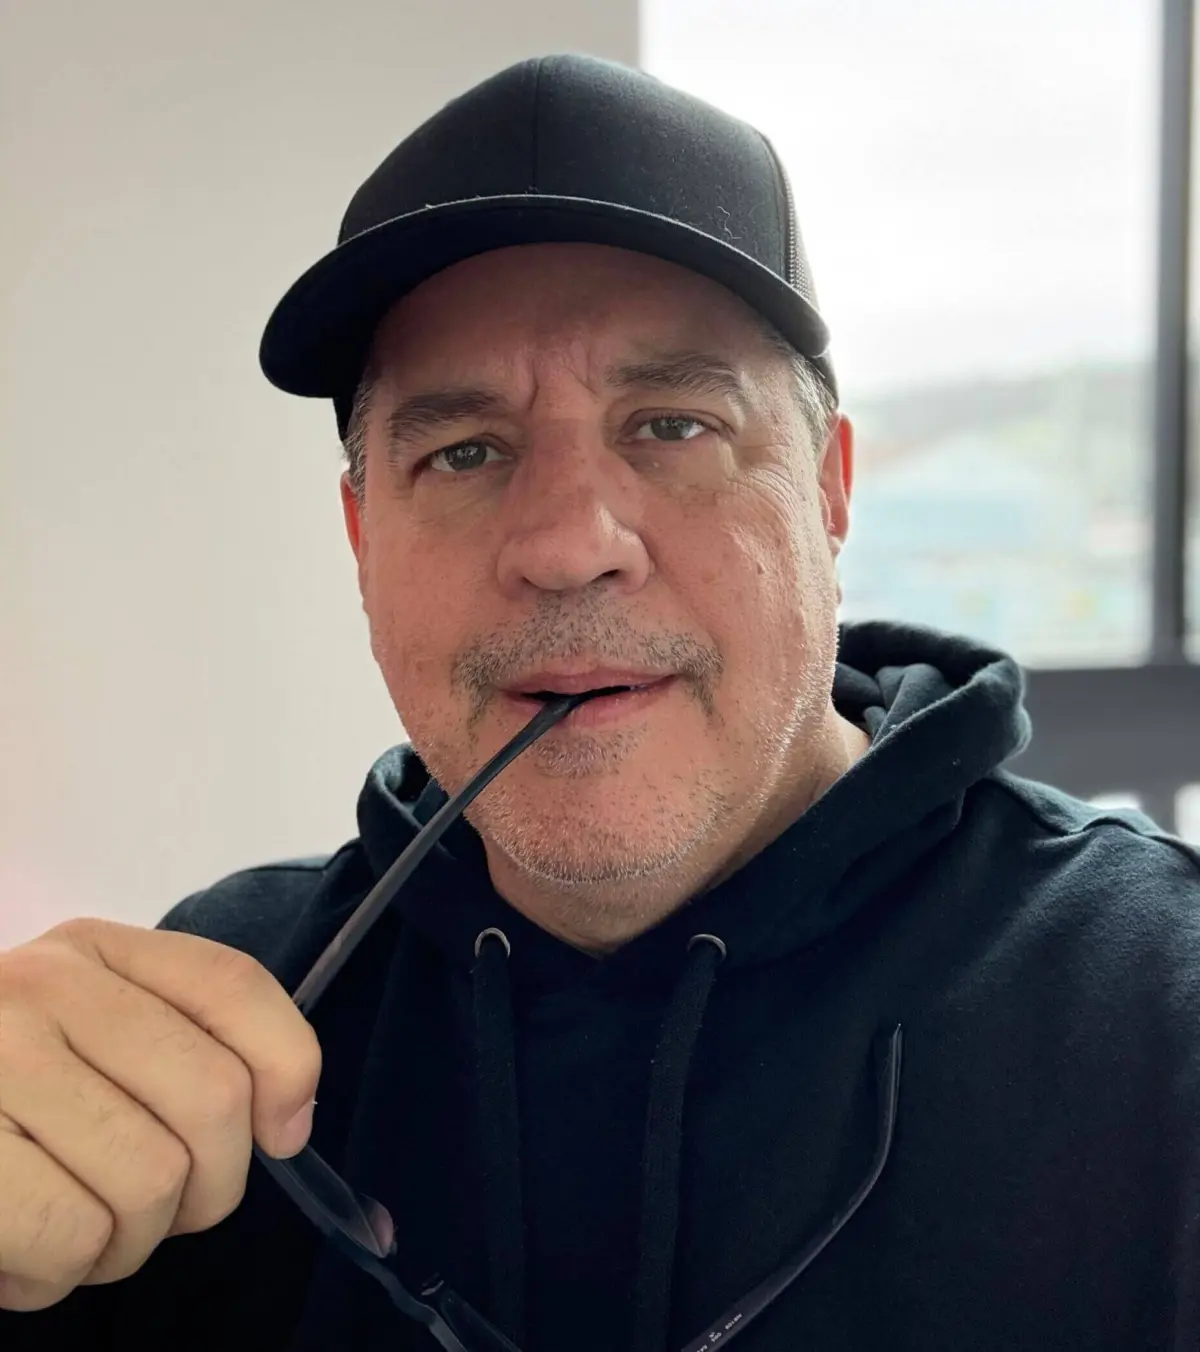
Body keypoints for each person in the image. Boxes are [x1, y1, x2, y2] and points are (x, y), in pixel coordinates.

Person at [2, 52, 1199, 1352]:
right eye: (464, 452)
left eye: (673, 425)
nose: (570, 546)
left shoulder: (1162, 1012)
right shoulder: (212, 1023)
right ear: (360, 538)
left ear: (829, 491)